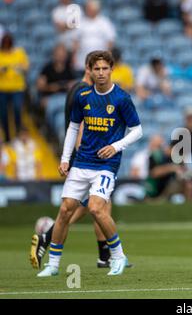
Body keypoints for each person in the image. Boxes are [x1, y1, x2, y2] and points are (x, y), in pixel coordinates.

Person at [36, 50, 142, 277]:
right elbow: (73, 127)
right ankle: (53, 265)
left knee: (95, 208)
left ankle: (118, 256)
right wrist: (65, 159)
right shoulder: (82, 97)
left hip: (106, 164)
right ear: (90, 71)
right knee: (65, 211)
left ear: (111, 69)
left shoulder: (122, 98)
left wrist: (116, 146)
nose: (101, 73)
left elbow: (137, 131)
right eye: (97, 69)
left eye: (105, 68)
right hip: (82, 162)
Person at [72, 0, 116, 74]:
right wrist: (74, 56)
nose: (89, 10)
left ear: (97, 9)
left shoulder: (104, 22)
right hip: (82, 61)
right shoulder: (81, 22)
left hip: (100, 63)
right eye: (88, 8)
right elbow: (75, 41)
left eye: (91, 9)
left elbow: (110, 41)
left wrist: (108, 59)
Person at [145, 137, 192, 202]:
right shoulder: (156, 156)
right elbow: (154, 173)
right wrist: (171, 168)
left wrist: (185, 172)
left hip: (169, 186)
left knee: (189, 184)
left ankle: (188, 207)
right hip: (156, 190)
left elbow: (184, 172)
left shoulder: (177, 158)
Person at [0, 32, 29, 143]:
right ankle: (7, 137)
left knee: (17, 110)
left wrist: (21, 68)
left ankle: (18, 135)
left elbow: (26, 67)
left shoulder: (19, 53)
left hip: (17, 88)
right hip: (2, 89)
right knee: (3, 114)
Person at [36, 43, 76, 110]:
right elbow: (40, 86)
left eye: (63, 54)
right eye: (59, 54)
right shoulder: (47, 68)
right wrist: (51, 87)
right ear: (54, 55)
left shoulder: (69, 68)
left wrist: (71, 86)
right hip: (50, 97)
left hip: (65, 97)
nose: (61, 56)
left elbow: (73, 83)